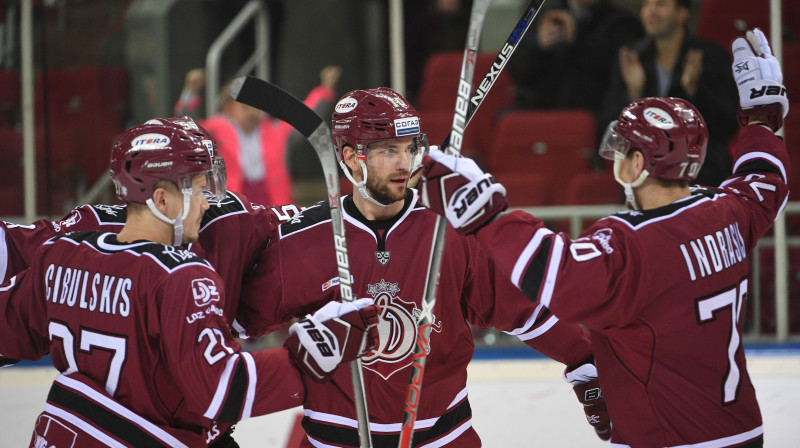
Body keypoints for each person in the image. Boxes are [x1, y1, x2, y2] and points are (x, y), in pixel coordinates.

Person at [417, 28, 788, 447]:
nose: (613, 156)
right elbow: (766, 177)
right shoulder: (730, 212)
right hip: (744, 432)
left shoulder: (631, 244)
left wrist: (485, 214)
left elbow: (554, 275)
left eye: (623, 148)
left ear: (638, 164)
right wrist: (762, 118)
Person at [233, 87, 610, 446]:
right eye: (386, 150)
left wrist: (585, 360)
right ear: (349, 157)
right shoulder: (302, 240)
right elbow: (231, 325)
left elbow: (521, 310)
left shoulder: (451, 227)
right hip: (333, 440)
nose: (404, 163)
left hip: (443, 439)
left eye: (409, 148)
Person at [0, 117, 379, 447]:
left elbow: (9, 330)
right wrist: (316, 350)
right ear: (161, 201)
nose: (208, 202)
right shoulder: (181, 276)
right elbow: (220, 392)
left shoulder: (62, 254)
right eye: (198, 190)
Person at [599, 0, 739, 187]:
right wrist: (634, 94)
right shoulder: (632, 57)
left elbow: (728, 124)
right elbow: (609, 124)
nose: (651, 11)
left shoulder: (711, 56)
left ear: (682, 13)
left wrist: (695, 91)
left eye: (660, 4)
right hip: (645, 179)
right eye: (646, 5)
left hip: (702, 177)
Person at [175, 65, 342, 206]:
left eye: (256, 105)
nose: (251, 112)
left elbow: (304, 117)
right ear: (228, 106)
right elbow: (189, 128)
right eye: (244, 106)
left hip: (273, 201)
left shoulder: (274, 131)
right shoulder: (217, 128)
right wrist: (191, 92)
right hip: (232, 202)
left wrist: (325, 90)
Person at [507, 0, 643, 114]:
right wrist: (538, 45)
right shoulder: (539, 12)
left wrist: (577, 40)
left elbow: (616, 73)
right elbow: (516, 71)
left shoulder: (623, 22)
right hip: (540, 111)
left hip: (592, 115)